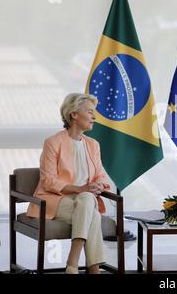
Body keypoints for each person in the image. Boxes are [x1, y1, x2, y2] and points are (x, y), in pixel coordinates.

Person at [27, 93, 110, 274]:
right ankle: (92, 269)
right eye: (90, 112)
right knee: (92, 212)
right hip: (56, 200)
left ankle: (72, 265)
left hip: (83, 201)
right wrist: (80, 189)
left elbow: (101, 175)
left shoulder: (93, 144)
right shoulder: (53, 142)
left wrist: (99, 185)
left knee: (87, 201)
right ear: (73, 115)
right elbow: (48, 180)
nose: (94, 117)